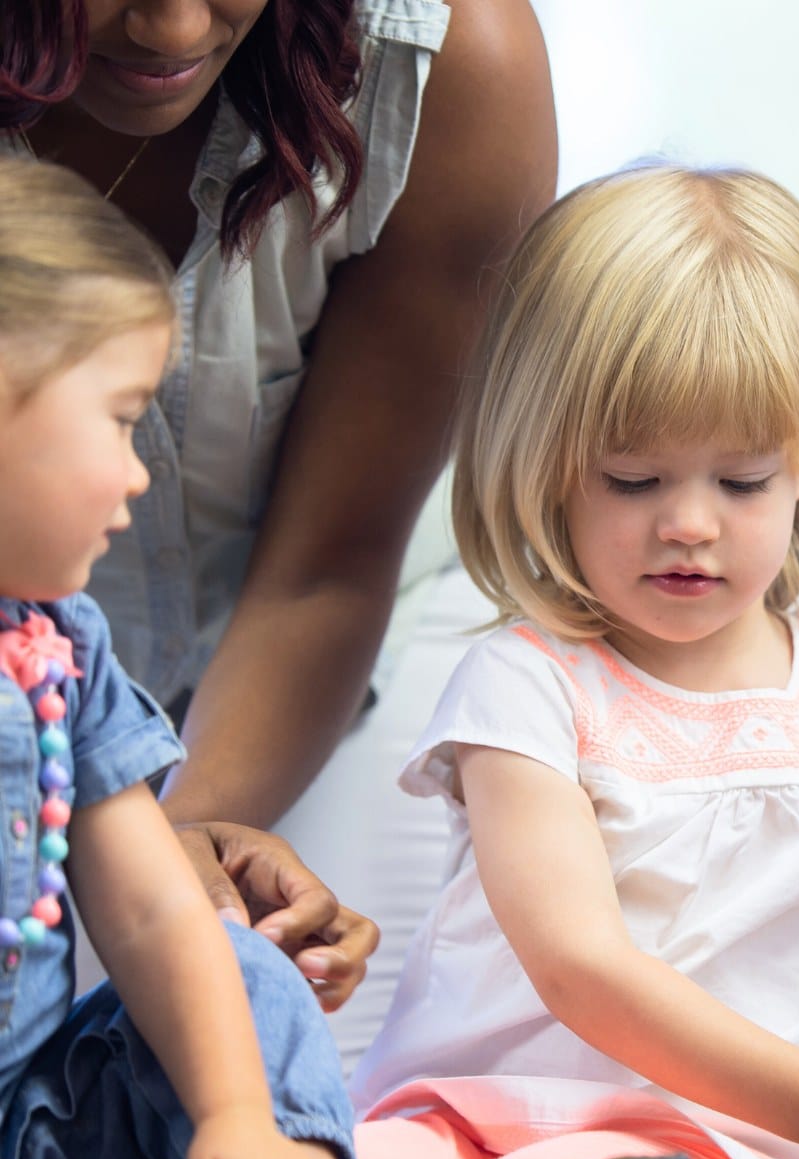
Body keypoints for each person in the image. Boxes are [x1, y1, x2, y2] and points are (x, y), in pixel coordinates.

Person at [348, 163, 799, 1159]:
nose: (689, 522)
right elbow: (581, 968)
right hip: (463, 1112)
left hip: (715, 1157)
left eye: (743, 478)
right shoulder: (527, 680)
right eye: (634, 477)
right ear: (549, 457)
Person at [0, 1, 558, 1053]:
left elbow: (329, 567)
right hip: (26, 679)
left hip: (354, 649)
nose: (170, 33)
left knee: (325, 1066)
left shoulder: (452, 69)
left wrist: (172, 843)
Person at [0, 155, 435, 1159]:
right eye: (122, 423)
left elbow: (153, 912)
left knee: (240, 963)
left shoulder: (61, 647)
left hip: (39, 1121)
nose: (139, 479)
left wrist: (237, 1110)